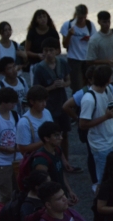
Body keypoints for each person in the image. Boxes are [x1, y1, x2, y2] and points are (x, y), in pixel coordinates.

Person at [33, 37, 80, 172]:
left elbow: (69, 80)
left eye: (51, 50)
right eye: (46, 50)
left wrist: (63, 84)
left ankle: (66, 162)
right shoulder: (39, 68)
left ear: (57, 51)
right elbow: (37, 90)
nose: (48, 53)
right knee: (51, 137)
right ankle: (53, 162)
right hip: (49, 107)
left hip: (62, 103)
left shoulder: (62, 63)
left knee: (64, 134)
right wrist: (52, 87)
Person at [79, 65, 113, 184]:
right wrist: (105, 117)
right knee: (103, 179)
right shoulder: (89, 99)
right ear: (108, 79)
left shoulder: (107, 90)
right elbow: (83, 124)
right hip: (101, 145)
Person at [33, 122, 79, 205]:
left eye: (60, 134)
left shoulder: (57, 150)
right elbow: (44, 189)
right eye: (56, 135)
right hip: (54, 202)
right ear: (47, 138)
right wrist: (62, 201)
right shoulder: (41, 161)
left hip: (61, 196)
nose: (61, 138)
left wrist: (69, 191)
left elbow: (60, 172)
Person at [60, 4, 97, 93]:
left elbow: (95, 42)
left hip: (87, 59)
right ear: (76, 15)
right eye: (80, 18)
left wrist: (89, 40)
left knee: (91, 84)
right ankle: (77, 105)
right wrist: (69, 34)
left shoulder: (89, 25)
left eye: (84, 17)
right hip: (74, 59)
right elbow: (65, 45)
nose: (82, 20)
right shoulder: (68, 25)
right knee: (77, 87)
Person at [24, 9, 60, 86]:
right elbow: (27, 51)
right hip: (36, 64)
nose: (43, 19)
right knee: (37, 87)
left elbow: (58, 50)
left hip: (51, 64)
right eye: (40, 17)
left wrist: (50, 54)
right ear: (36, 20)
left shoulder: (52, 32)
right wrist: (38, 55)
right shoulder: (32, 32)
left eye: (44, 17)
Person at [16, 85, 53, 155]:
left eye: (45, 100)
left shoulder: (46, 112)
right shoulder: (24, 122)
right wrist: (45, 140)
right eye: (41, 101)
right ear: (31, 102)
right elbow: (22, 149)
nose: (44, 104)